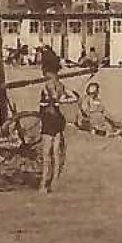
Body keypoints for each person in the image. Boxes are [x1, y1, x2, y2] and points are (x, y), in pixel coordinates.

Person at [37, 55, 78, 192]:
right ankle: (54, 183)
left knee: (46, 154)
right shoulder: (61, 85)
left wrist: (52, 100)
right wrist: (62, 101)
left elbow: (52, 97)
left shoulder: (48, 84)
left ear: (47, 71)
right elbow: (74, 97)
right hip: (58, 119)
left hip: (48, 118)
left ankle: (43, 185)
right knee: (56, 153)